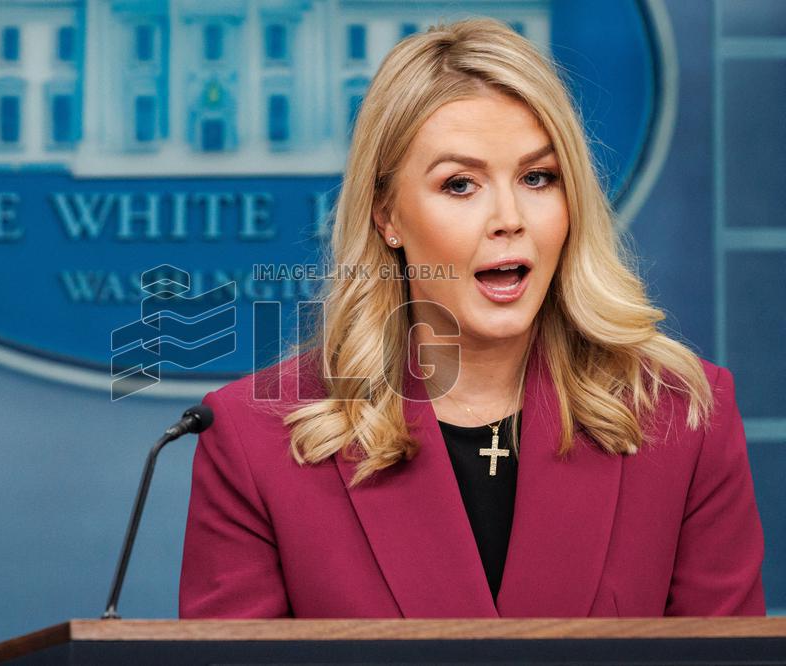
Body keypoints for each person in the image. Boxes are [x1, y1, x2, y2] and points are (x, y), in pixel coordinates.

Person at [178, 17, 765, 618]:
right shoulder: (255, 442)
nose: (509, 217)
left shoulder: (684, 415)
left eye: (538, 178)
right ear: (388, 217)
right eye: (460, 185)